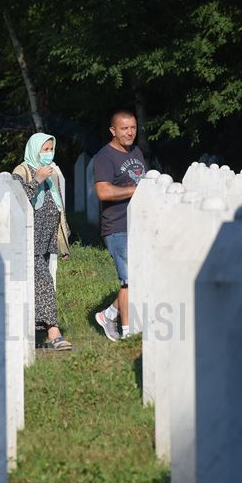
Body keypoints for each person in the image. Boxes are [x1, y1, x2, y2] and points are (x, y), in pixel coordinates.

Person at [12, 133, 73, 351]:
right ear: (34, 150)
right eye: (44, 150)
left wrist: (62, 242)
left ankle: (34, 327)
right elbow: (16, 200)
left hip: (46, 241)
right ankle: (53, 332)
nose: (48, 154)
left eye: (51, 149)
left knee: (38, 284)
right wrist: (36, 180)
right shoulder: (22, 171)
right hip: (29, 240)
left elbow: (58, 207)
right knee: (45, 282)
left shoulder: (53, 174)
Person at [93, 111, 146, 341]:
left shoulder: (136, 152)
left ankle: (109, 314)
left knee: (138, 277)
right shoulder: (104, 156)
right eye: (124, 128)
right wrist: (136, 190)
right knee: (129, 280)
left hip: (139, 225)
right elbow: (103, 191)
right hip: (117, 226)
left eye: (133, 127)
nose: (130, 132)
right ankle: (128, 334)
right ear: (113, 130)